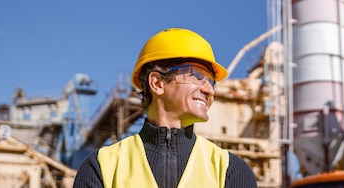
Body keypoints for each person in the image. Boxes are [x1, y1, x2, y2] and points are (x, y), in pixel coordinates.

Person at [73, 28, 258, 188]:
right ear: (157, 83)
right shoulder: (100, 167)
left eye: (211, 82)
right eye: (196, 75)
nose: (208, 89)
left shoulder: (230, 170)